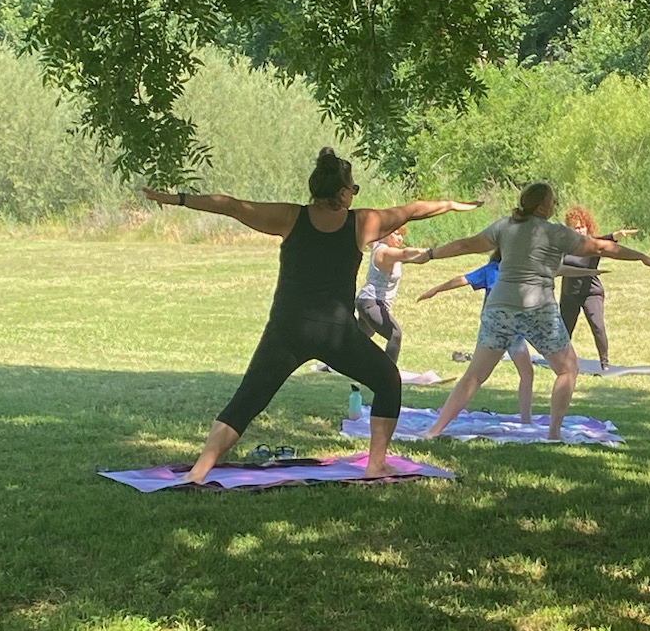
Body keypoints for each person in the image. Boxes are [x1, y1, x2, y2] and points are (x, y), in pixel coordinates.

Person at [141, 147, 478, 482]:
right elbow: (412, 210)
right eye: (354, 189)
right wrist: (450, 204)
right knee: (387, 380)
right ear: (344, 192)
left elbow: (231, 205)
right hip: (337, 333)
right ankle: (375, 464)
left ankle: (198, 472)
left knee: (247, 399)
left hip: (288, 330)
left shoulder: (290, 217)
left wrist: (177, 199)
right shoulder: (361, 222)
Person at [411, 182, 650, 441]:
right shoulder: (555, 233)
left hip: (499, 307)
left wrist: (431, 254)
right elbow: (602, 247)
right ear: (543, 206)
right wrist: (641, 256)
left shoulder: (505, 226)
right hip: (538, 309)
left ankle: (433, 430)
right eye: (553, 201)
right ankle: (554, 434)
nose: (554, 206)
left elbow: (466, 245)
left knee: (474, 375)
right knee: (567, 369)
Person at [414, 251, 601, 423]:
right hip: (496, 330)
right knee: (476, 376)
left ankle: (525, 420)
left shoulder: (525, 271)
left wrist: (590, 271)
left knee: (524, 373)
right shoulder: (492, 270)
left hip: (517, 332)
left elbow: (558, 270)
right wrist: (436, 289)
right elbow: (462, 279)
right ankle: (446, 413)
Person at [559, 206, 638, 372]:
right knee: (565, 330)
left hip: (591, 293)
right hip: (569, 294)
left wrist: (617, 235)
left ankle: (605, 363)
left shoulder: (593, 245)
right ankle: (561, 362)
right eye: (576, 227)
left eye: (582, 226)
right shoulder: (564, 247)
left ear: (587, 226)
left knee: (597, 326)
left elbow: (606, 240)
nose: (580, 230)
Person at [356, 225, 429, 364]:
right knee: (395, 335)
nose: (400, 238)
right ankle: (389, 375)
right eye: (396, 234)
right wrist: (428, 252)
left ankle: (333, 364)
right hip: (372, 302)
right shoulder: (385, 252)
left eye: (402, 235)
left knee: (361, 338)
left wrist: (430, 256)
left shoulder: (378, 245)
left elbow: (411, 258)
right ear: (385, 234)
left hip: (368, 301)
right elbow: (406, 254)